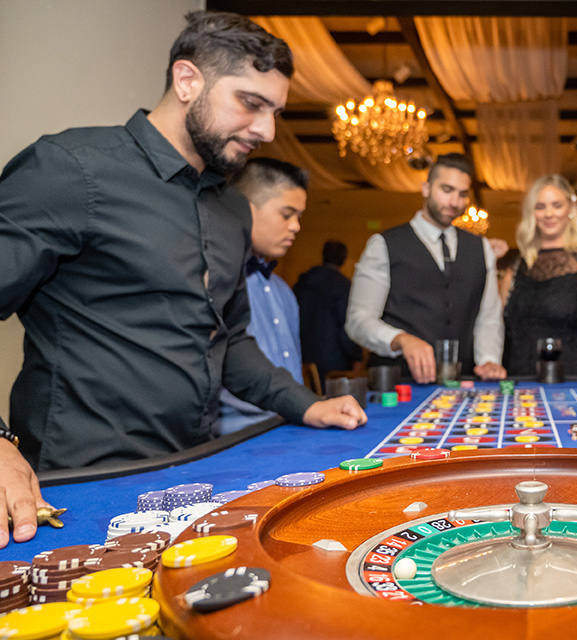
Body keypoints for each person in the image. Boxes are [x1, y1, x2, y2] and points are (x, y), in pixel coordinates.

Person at [0, 11, 367, 547]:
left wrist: (304, 403)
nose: (267, 130)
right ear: (188, 80)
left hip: (193, 470)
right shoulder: (71, 169)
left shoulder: (232, 210)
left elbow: (229, 337)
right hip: (80, 481)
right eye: (251, 103)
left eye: (276, 112)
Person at [346, 153, 506, 384]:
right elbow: (358, 320)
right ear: (426, 188)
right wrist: (400, 338)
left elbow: (488, 317)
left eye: (462, 194)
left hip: (461, 385)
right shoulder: (384, 244)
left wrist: (489, 359)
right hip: (397, 384)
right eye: (447, 190)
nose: (455, 202)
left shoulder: (480, 247)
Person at [216, 158, 311, 435]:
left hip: (287, 428)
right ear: (244, 208)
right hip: (234, 437)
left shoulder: (282, 290)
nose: (296, 226)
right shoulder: (217, 284)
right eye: (286, 214)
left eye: (299, 217)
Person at [499, 175, 577, 376]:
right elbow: (496, 324)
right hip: (520, 378)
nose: (549, 213)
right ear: (531, 213)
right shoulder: (515, 266)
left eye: (557, 205)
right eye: (540, 206)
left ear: (570, 209)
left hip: (572, 378)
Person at [294, 240, 363, 390]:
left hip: (302, 355)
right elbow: (347, 326)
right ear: (344, 259)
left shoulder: (302, 283)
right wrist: (356, 356)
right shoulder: (342, 286)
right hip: (334, 361)